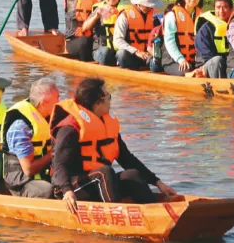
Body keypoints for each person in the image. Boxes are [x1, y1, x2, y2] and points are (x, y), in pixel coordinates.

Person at [51, 78, 177, 214]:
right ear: (97, 102)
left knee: (132, 174)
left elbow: (127, 158)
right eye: (108, 96)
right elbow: (59, 164)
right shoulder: (70, 127)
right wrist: (67, 191)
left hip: (99, 181)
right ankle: (116, 216)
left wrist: (157, 182)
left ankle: (157, 213)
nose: (110, 100)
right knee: (104, 172)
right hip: (70, 186)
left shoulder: (106, 123)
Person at [1, 77, 58, 199]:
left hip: (43, 175)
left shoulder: (48, 118)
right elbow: (28, 169)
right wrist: (52, 154)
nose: (59, 102)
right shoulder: (21, 127)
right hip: (21, 183)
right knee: (47, 191)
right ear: (43, 103)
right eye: (57, 98)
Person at [109, 0, 164, 71]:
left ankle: (153, 66)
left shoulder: (155, 16)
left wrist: (153, 53)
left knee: (158, 59)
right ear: (139, 3)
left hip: (148, 56)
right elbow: (117, 40)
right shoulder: (125, 15)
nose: (150, 7)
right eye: (147, 5)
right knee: (121, 54)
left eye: (151, 5)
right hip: (131, 55)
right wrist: (136, 52)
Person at [161, 0, 205, 77]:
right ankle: (189, 75)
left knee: (206, 68)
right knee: (186, 69)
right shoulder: (172, 15)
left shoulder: (201, 17)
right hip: (172, 60)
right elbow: (169, 41)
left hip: (194, 60)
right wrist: (181, 59)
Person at [191, 0, 233, 79]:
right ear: (214, 9)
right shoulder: (206, 28)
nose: (221, 11)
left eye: (225, 7)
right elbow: (206, 56)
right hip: (206, 66)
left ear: (231, 9)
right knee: (217, 60)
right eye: (218, 7)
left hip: (228, 63)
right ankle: (219, 87)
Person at [88, 0, 126, 67]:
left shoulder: (124, 10)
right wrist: (96, 16)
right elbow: (85, 27)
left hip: (118, 50)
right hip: (101, 49)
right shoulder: (98, 8)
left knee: (123, 53)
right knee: (106, 52)